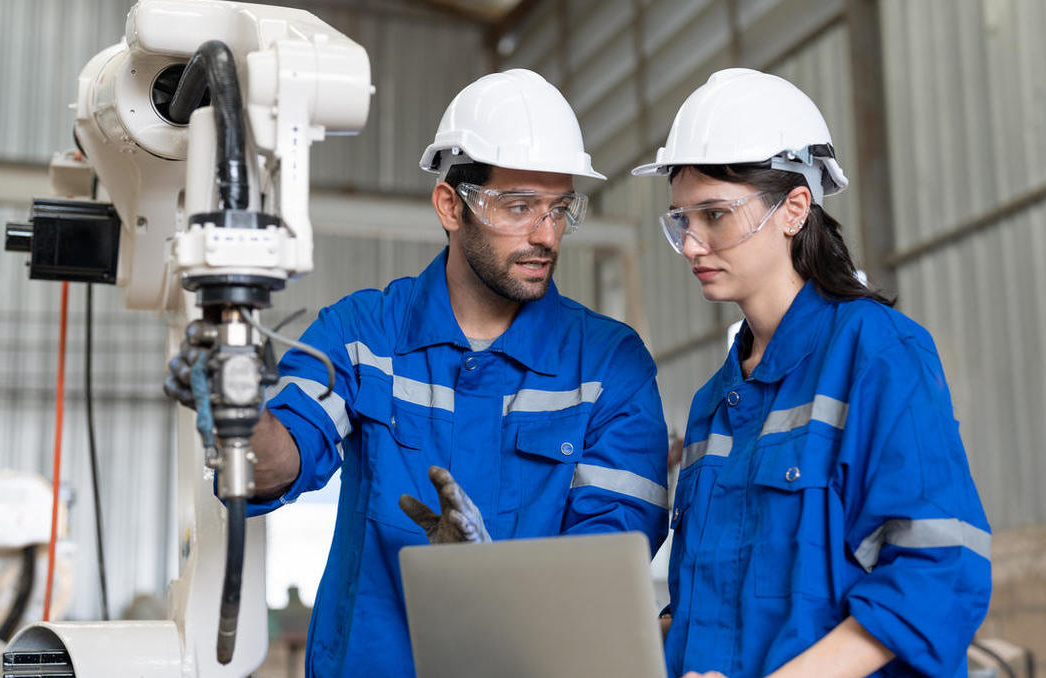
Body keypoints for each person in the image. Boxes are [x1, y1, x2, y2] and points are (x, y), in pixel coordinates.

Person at [166, 69, 670, 677]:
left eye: (559, 209)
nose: (546, 235)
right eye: (519, 208)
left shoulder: (608, 365)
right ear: (450, 206)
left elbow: (609, 561)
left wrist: (486, 582)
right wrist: (239, 419)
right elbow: (280, 459)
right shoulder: (362, 336)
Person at [630, 68, 992, 678]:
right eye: (682, 221)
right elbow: (701, 606)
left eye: (713, 215)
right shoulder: (713, 404)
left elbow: (939, 571)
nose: (692, 245)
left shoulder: (879, 353)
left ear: (795, 207)